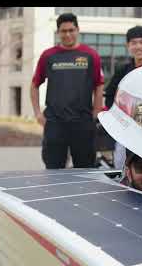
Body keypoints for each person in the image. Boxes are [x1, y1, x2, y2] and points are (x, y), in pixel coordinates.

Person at [31, 13, 104, 169]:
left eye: (71, 30)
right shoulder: (48, 56)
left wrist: (97, 111)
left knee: (85, 170)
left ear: (78, 30)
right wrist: (37, 113)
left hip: (83, 122)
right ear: (58, 32)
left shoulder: (91, 55)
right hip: (55, 123)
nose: (68, 34)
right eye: (64, 31)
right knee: (53, 170)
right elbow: (35, 84)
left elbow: (99, 84)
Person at [104, 26, 142, 168]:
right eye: (134, 43)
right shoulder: (122, 70)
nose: (138, 46)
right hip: (127, 128)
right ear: (128, 46)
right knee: (123, 164)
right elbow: (110, 95)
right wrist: (118, 117)